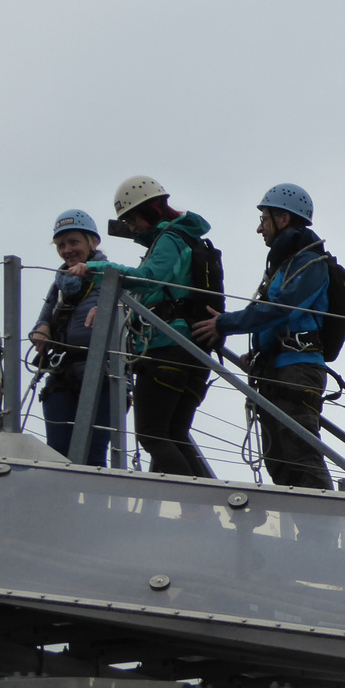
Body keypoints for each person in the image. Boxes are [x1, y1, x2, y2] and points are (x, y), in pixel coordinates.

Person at [68, 176, 213, 477]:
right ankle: (206, 508)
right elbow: (158, 290)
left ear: (148, 211)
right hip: (190, 352)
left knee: (152, 434)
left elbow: (148, 278)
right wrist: (107, 304)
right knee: (173, 433)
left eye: (132, 219)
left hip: (167, 349)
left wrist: (94, 270)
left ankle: (196, 508)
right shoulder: (185, 239)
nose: (131, 228)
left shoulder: (170, 239)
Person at [192, 183, 332, 490]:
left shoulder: (310, 263)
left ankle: (325, 536)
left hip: (297, 370)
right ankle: (304, 536)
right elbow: (275, 317)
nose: (259, 228)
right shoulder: (286, 265)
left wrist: (225, 324)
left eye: (264, 219)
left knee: (301, 455)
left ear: (283, 219)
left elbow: (281, 310)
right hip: (276, 371)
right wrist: (259, 356)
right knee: (279, 462)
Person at [29, 210, 113, 465]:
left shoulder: (111, 277)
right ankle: (62, 504)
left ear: (93, 242)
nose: (66, 250)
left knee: (94, 453)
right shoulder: (60, 284)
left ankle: (94, 506)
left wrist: (111, 312)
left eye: (73, 242)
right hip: (61, 372)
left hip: (102, 373)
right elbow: (43, 318)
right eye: (61, 245)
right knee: (56, 453)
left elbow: (129, 316)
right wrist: (41, 328)